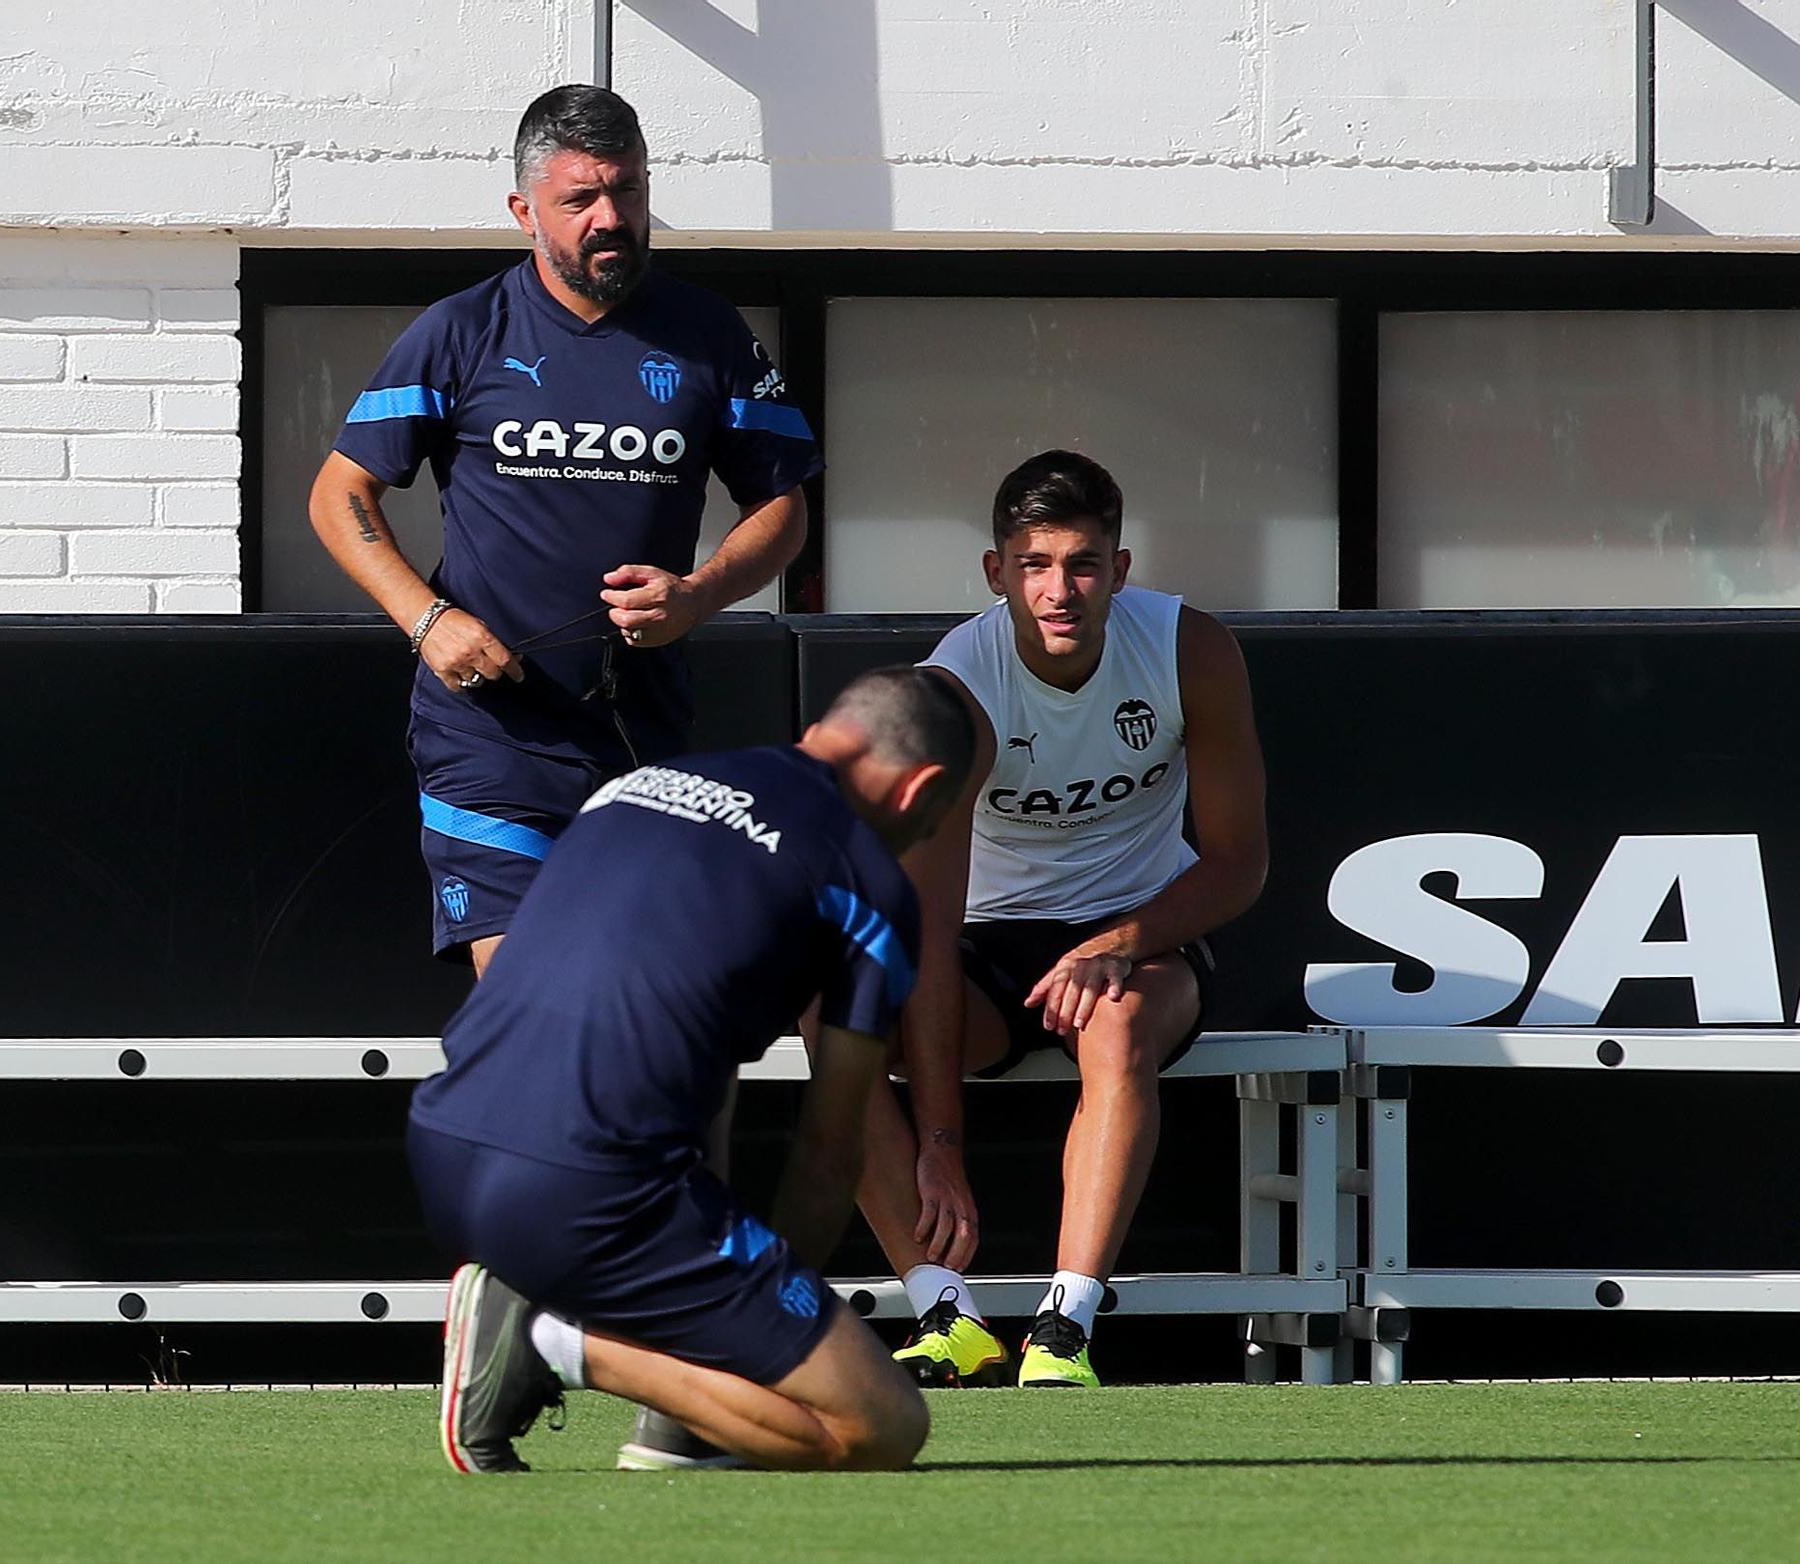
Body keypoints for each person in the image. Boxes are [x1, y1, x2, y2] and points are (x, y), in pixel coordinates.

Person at [405, 667, 976, 1473]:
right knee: (881, 1428)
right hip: (592, 1192)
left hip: (444, 1148)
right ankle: (546, 1344)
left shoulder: (644, 786)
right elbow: (830, 1151)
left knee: (702, 1082)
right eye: (935, 825)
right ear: (922, 790)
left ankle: (674, 1419)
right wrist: (757, 1332)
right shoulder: (869, 883)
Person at [308, 83, 819, 976]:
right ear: (524, 210)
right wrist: (428, 621)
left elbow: (782, 507)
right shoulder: (461, 330)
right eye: (579, 198)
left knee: (638, 1015)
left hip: (642, 730)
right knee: (535, 1004)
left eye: (627, 191)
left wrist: (697, 594)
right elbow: (339, 495)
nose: (609, 217)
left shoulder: (710, 335)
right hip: (490, 734)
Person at [858, 451, 1269, 1390]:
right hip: (988, 948)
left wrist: (1117, 944)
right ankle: (944, 1311)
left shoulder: (1188, 648)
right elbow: (925, 930)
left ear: (1120, 571)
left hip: (1141, 932)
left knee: (1117, 1023)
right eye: (1036, 565)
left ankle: (1067, 1328)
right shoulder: (953, 691)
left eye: (1083, 564)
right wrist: (940, 1146)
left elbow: (1240, 862)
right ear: (996, 573)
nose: (1060, 590)